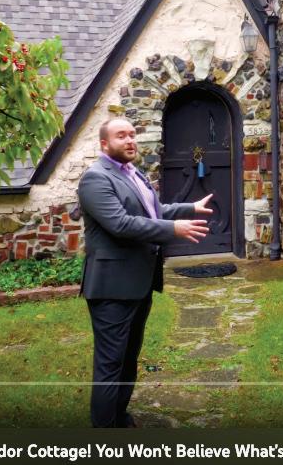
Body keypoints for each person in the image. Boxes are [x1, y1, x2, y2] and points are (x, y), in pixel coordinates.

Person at [77, 117, 214, 428]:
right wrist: (173, 229)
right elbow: (121, 224)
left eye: (132, 134)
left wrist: (189, 208)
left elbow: (153, 211)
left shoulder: (133, 172)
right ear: (104, 144)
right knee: (110, 365)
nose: (129, 140)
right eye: (120, 136)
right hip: (112, 288)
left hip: (139, 282)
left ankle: (119, 418)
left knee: (128, 359)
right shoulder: (95, 179)